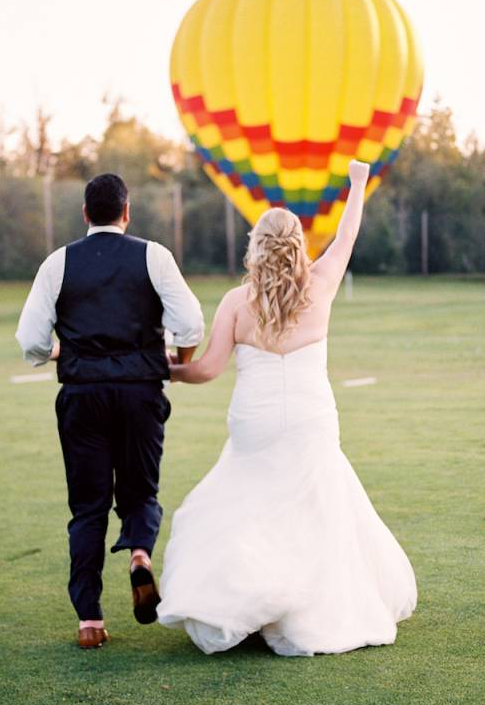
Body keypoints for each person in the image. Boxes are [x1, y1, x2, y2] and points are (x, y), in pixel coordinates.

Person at [156, 160, 417, 656]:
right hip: (310, 418)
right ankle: (305, 609)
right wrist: (357, 184)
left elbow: (207, 369)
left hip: (254, 423)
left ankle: (248, 606)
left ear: (256, 245)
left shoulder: (237, 301)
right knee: (315, 511)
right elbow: (346, 235)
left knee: (251, 506)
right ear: (298, 245)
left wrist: (163, 370)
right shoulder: (320, 287)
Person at [16, 173, 204, 648]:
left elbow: (31, 341)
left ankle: (90, 620)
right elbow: (191, 324)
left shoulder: (58, 263)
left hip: (82, 396)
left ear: (85, 214)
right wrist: (175, 364)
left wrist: (61, 353)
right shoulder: (154, 256)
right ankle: (140, 554)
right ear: (127, 212)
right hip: (140, 390)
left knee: (87, 507)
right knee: (141, 491)